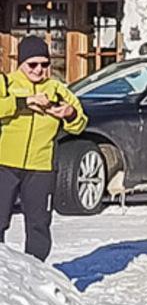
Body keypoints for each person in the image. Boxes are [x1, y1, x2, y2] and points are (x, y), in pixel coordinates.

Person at [0, 37, 89, 261]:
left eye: (44, 64)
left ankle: (35, 273)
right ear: (20, 63)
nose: (39, 70)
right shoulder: (7, 84)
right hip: (4, 164)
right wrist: (24, 102)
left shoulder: (57, 90)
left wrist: (69, 115)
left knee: (38, 223)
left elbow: (80, 124)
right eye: (32, 64)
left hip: (41, 167)